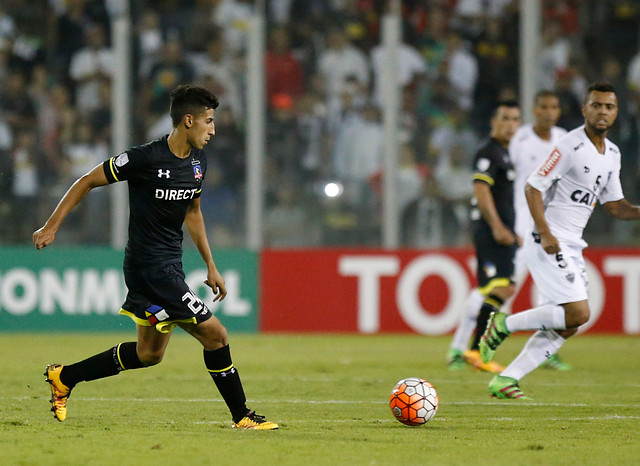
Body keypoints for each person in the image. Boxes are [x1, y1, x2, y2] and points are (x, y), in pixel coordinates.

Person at [34, 85, 278, 430]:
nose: (213, 129)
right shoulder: (145, 158)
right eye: (208, 122)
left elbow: (193, 211)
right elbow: (87, 180)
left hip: (169, 265)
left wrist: (210, 264)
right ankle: (242, 416)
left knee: (149, 354)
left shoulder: (197, 162)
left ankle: (64, 377)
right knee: (216, 335)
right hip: (150, 268)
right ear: (188, 120)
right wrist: (51, 226)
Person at [479, 82, 640, 399]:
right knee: (578, 313)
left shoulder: (613, 154)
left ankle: (506, 379)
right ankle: (502, 324)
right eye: (596, 105)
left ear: (616, 112)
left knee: (568, 324)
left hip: (572, 243)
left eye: (609, 106)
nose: (602, 111)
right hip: (548, 239)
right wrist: (546, 231)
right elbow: (532, 186)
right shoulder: (570, 145)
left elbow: (615, 206)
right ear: (585, 109)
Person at [447, 100, 520, 372]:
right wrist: (498, 227)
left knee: (501, 289)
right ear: (494, 122)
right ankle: (474, 351)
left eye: (515, 119)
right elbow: (481, 189)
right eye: (505, 118)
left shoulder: (505, 154)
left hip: (502, 232)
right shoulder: (488, 153)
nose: (510, 124)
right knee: (497, 288)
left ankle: (473, 350)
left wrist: (512, 230)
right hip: (490, 232)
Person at [507, 89, 571, 371]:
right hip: (522, 222)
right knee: (508, 284)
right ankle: (484, 339)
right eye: (543, 106)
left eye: (554, 106)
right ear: (534, 109)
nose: (548, 112)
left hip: (553, 223)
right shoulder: (519, 139)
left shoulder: (565, 139)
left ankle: (546, 349)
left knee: (553, 290)